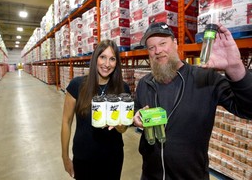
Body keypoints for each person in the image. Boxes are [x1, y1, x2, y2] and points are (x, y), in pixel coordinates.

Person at [133, 22, 252, 180]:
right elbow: (136, 113)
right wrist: (135, 118)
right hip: (150, 175)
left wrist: (235, 67)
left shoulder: (205, 78)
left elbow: (247, 109)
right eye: (151, 47)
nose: (158, 51)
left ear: (175, 44)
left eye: (163, 43)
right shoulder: (145, 84)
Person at [61, 39, 131, 180]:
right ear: (95, 59)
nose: (106, 64)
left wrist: (120, 125)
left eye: (112, 59)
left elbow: (124, 128)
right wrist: (65, 157)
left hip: (113, 157)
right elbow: (66, 121)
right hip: (84, 157)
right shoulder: (77, 85)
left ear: (116, 63)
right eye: (102, 57)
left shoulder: (122, 88)